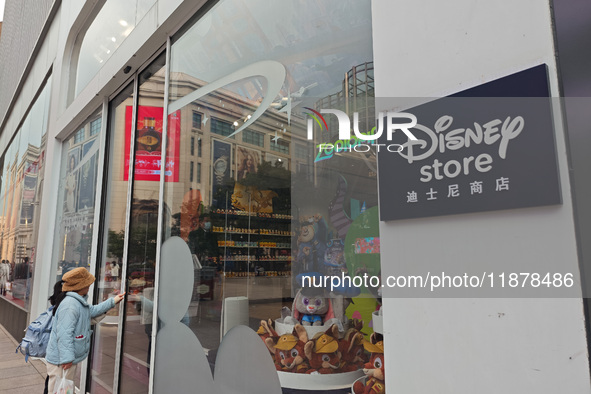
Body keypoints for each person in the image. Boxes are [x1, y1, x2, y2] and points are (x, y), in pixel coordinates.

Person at [45, 267, 125, 393]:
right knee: (59, 390)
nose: (89, 286)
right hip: (61, 361)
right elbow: (64, 334)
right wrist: (67, 359)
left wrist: (113, 301)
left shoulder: (76, 301)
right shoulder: (70, 305)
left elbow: (91, 311)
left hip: (63, 359)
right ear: (80, 286)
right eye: (87, 283)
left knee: (62, 390)